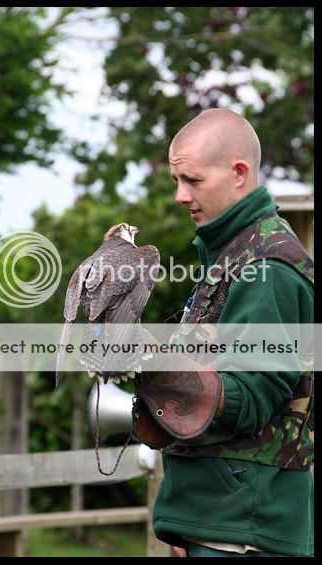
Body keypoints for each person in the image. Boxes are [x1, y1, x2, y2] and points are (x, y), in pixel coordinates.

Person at [133, 109, 314, 557]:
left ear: (238, 172)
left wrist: (152, 365)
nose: (180, 195)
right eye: (177, 181)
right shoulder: (231, 256)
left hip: (244, 526)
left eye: (192, 181)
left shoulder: (268, 267)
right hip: (218, 519)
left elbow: (250, 397)